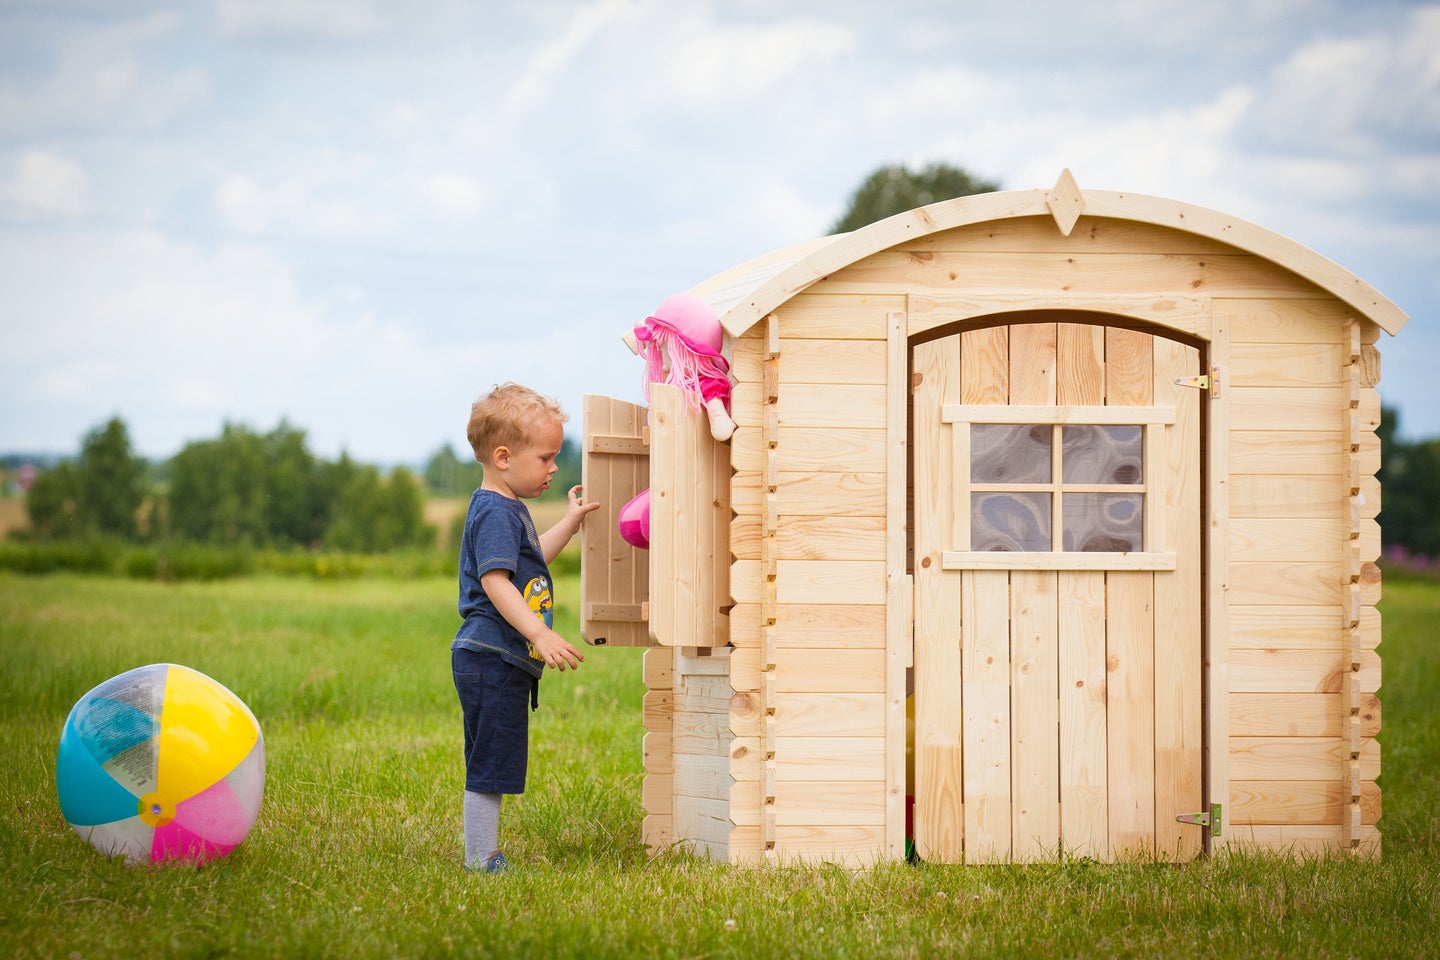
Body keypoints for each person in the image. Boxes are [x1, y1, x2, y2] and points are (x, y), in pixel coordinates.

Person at [451, 382, 599, 873]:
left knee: (495, 757)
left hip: (494, 658)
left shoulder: (504, 507)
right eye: (546, 457)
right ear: (503, 457)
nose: (554, 467)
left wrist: (570, 522)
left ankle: (482, 853)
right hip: (492, 655)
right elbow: (496, 582)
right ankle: (481, 858)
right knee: (491, 762)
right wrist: (539, 632)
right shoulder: (495, 510)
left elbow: (530, 562)